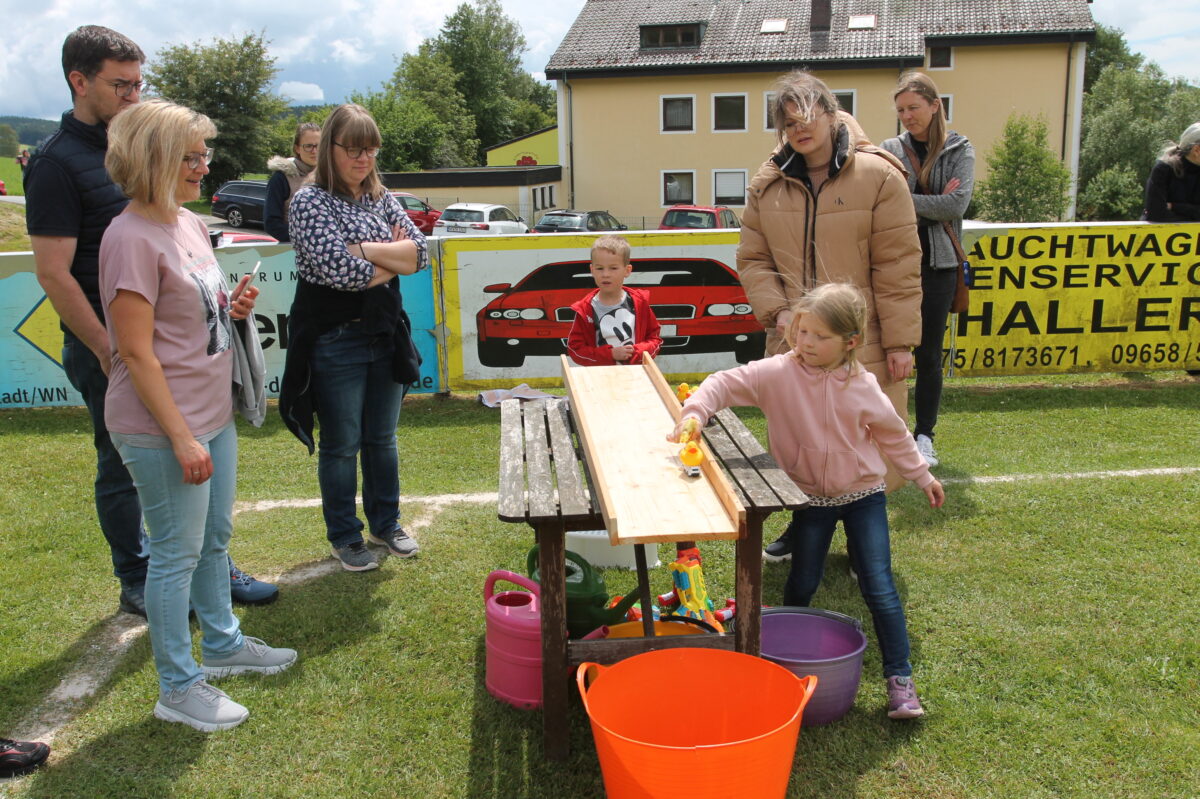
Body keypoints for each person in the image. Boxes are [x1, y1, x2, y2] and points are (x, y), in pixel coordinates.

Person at [24, 25, 277, 613]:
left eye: (139, 84)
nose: (133, 96)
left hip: (172, 343)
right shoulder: (55, 164)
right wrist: (108, 349)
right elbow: (55, 272)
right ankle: (140, 576)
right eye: (121, 85)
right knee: (123, 460)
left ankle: (211, 569)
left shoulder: (149, 144)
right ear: (78, 81)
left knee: (199, 470)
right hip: (111, 342)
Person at [100, 99, 296, 732]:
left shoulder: (185, 222)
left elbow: (183, 320)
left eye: (203, 154)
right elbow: (133, 350)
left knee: (213, 541)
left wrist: (230, 310)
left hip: (209, 413)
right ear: (155, 159)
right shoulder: (128, 237)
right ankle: (178, 687)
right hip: (163, 427)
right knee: (175, 556)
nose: (204, 165)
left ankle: (224, 643)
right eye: (191, 156)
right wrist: (182, 438)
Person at [673, 283, 944, 720]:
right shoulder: (777, 373)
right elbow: (723, 383)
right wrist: (695, 412)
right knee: (802, 581)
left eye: (820, 336)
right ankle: (783, 661)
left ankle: (900, 680)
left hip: (864, 497)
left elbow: (893, 434)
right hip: (809, 502)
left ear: (850, 342)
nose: (806, 343)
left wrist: (921, 475)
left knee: (880, 586)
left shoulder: (864, 385)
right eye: (802, 332)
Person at [737, 69, 922, 561]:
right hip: (793, 341)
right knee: (801, 440)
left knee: (868, 445)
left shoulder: (881, 175)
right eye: (789, 119)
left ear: (829, 110)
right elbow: (754, 260)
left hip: (864, 341)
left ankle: (868, 550)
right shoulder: (766, 183)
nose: (801, 127)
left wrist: (901, 342)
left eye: (809, 114)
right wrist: (778, 313)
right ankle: (805, 527)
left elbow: (899, 265)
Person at [281, 103, 428, 572]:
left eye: (371, 149)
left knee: (381, 438)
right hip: (334, 337)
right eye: (354, 149)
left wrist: (362, 250)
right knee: (342, 443)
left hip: (383, 332)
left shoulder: (381, 197)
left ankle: (387, 523)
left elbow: (419, 254)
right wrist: (390, 257)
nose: (363, 158)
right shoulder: (309, 201)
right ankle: (346, 536)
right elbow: (337, 272)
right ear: (331, 148)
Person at [881, 71, 975, 468]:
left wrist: (910, 199)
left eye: (914, 107)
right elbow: (885, 200)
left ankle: (924, 435)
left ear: (935, 106)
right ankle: (889, 430)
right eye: (901, 109)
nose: (907, 116)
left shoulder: (960, 149)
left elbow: (957, 206)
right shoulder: (889, 149)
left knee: (929, 355)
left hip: (938, 264)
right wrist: (932, 199)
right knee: (890, 349)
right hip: (896, 263)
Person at [566, 235, 662, 366]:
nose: (606, 274)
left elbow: (654, 339)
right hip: (599, 380)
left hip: (635, 378)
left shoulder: (639, 303)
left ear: (627, 270)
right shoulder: (585, 309)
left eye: (613, 268)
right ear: (592, 270)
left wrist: (637, 353)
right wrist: (610, 354)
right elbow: (575, 349)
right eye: (600, 268)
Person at [264, 122, 321, 242]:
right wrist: (308, 241)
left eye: (318, 146)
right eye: (308, 146)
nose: (314, 151)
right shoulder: (281, 178)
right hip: (292, 251)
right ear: (297, 148)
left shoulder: (330, 176)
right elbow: (272, 223)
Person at [1141, 122, 1200, 223]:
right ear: (1197, 150)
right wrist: (1193, 212)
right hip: (1160, 236)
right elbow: (1156, 215)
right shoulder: (1163, 170)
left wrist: (1174, 206)